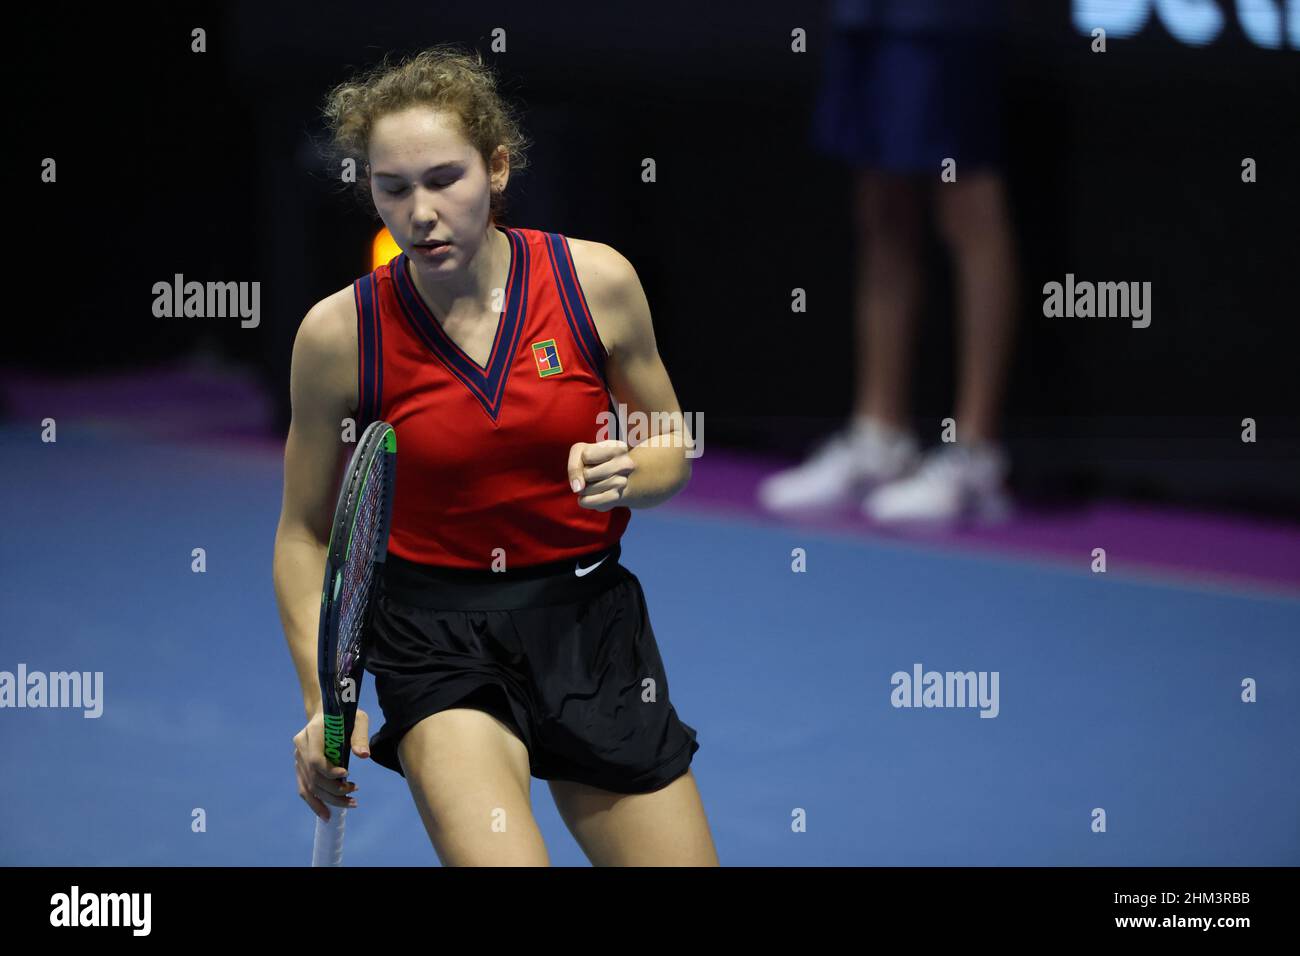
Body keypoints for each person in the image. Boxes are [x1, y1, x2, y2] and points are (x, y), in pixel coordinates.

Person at [273, 45, 719, 866]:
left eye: (445, 178)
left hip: (589, 625)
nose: (421, 212)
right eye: (393, 187)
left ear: (498, 166)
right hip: (438, 646)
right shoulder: (339, 336)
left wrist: (634, 469)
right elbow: (304, 535)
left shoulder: (596, 283)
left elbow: (670, 445)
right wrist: (323, 705)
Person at [758, 0, 1018, 524]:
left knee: (967, 202)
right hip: (869, 14)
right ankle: (881, 436)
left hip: (940, 17)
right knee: (881, 206)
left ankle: (976, 454)